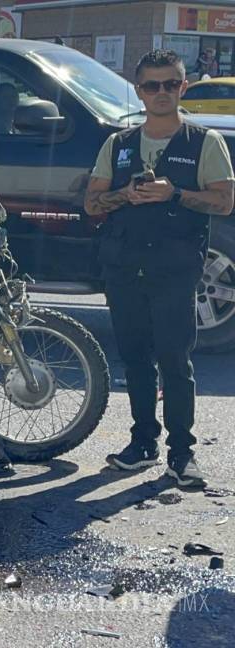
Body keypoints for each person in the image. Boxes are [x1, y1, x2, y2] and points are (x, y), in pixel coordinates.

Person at [84, 49, 233, 488]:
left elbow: (224, 202)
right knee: (133, 358)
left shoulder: (205, 142)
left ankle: (182, 452)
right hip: (125, 264)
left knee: (175, 359)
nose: (162, 92)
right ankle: (142, 443)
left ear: (183, 87)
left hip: (176, 266)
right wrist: (123, 195)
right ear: (140, 90)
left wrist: (175, 194)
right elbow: (92, 203)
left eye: (171, 84)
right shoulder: (119, 144)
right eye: (153, 85)